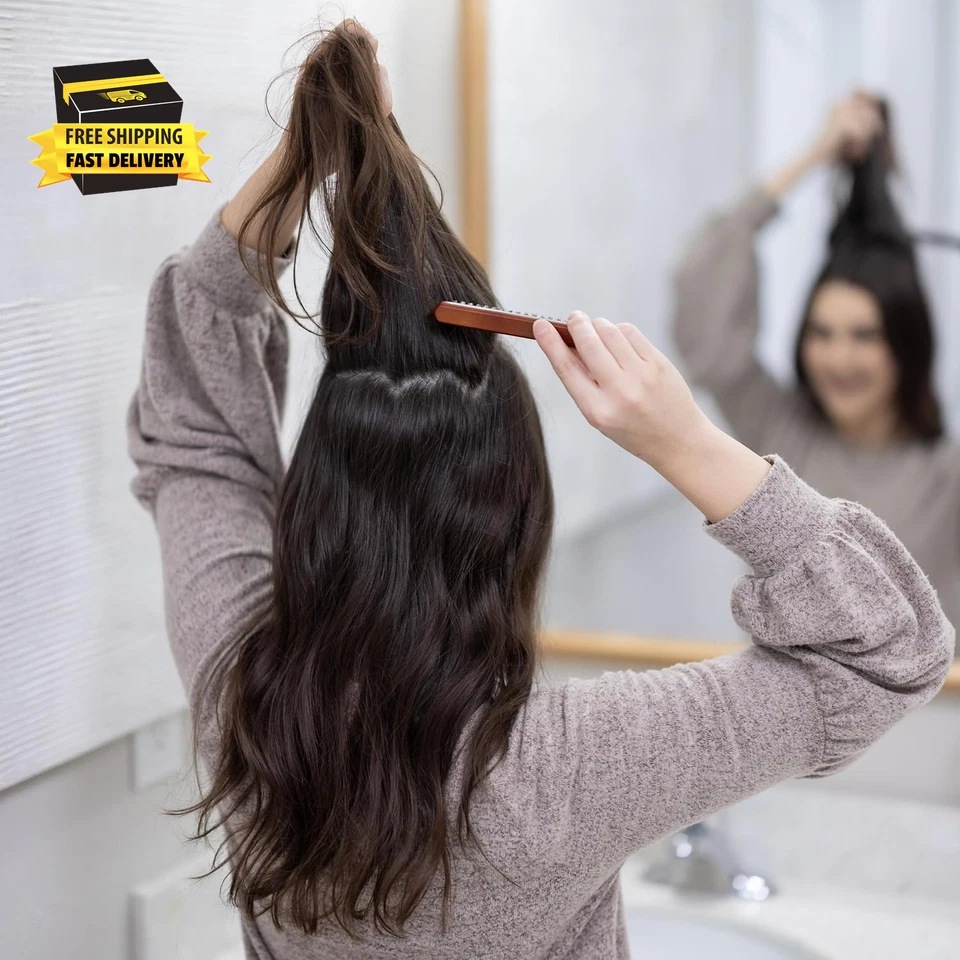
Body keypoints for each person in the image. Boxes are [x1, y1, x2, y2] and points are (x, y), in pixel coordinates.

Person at [126, 26, 953, 960]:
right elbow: (889, 657)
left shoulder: (244, 704)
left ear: (314, 508)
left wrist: (304, 162)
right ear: (515, 519)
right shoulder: (571, 767)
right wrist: (682, 442)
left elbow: (195, 427)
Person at [673, 90, 960, 630]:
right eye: (821, 333)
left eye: (864, 335)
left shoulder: (948, 477)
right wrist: (813, 155)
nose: (838, 357)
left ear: (906, 343)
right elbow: (702, 291)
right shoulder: (775, 430)